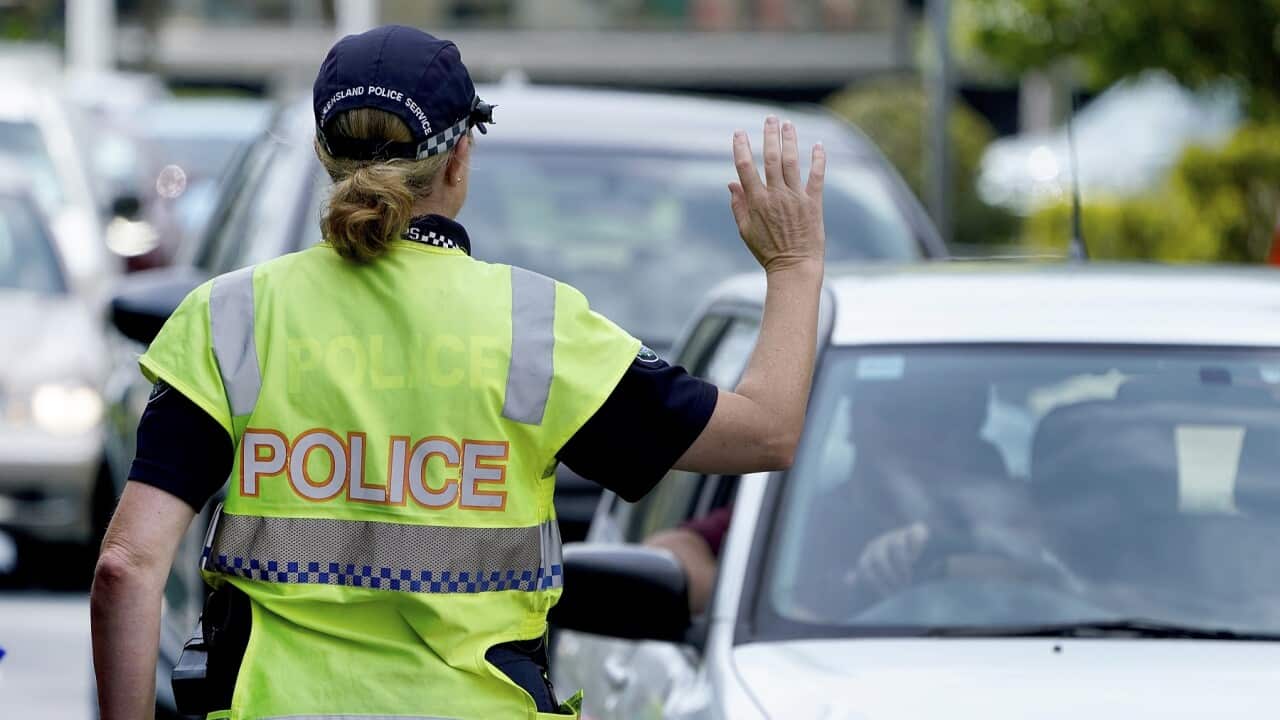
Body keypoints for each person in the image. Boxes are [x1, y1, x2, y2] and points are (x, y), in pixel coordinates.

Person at [90, 25, 827, 720]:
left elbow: (126, 567)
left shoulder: (234, 315)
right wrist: (792, 267)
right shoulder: (535, 327)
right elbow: (766, 433)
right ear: (459, 158)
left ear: (323, 153)